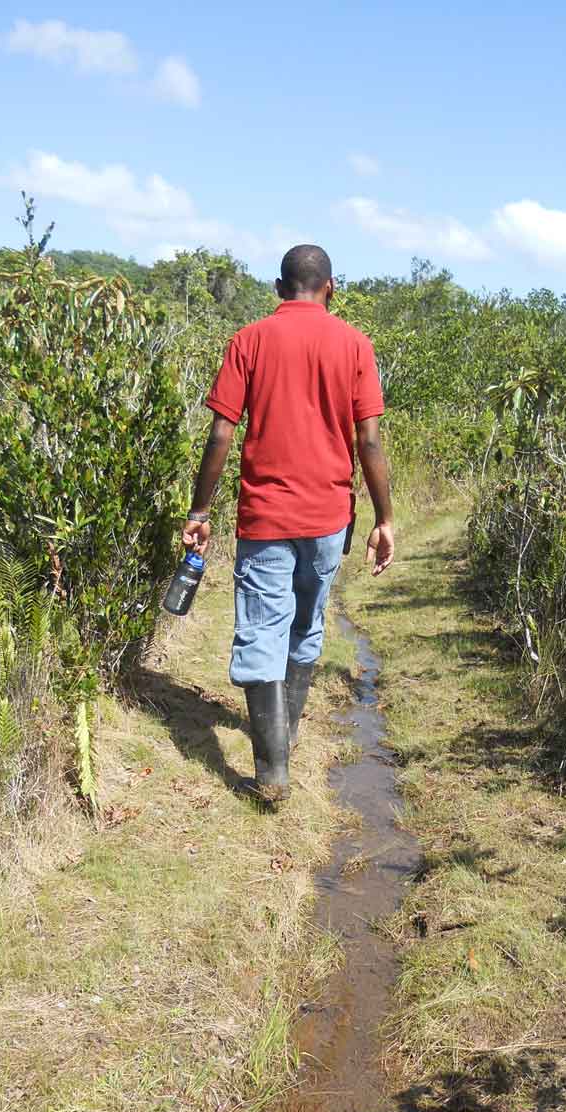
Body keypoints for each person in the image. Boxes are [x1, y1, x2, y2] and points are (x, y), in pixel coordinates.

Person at [181, 244, 394, 805]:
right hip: (328, 519)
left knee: (261, 627)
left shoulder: (249, 341)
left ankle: (273, 773)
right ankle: (287, 739)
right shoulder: (354, 345)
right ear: (331, 287)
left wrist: (200, 511)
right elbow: (367, 439)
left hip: (266, 517)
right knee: (305, 625)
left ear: (280, 288)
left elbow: (221, 434)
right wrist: (384, 518)